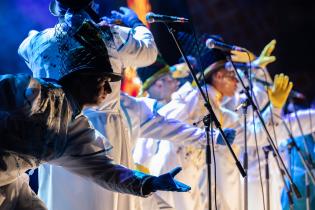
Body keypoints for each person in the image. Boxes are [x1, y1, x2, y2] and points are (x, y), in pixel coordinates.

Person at [1, 7, 190, 210]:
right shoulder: (33, 94)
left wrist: (149, 183)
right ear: (82, 79)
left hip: (11, 181)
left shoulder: (76, 130)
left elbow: (106, 170)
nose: (109, 89)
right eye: (102, 80)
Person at [133, 55, 236, 210]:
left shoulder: (201, 99)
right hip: (175, 168)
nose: (176, 82)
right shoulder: (192, 97)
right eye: (170, 78)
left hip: (189, 168)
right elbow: (165, 126)